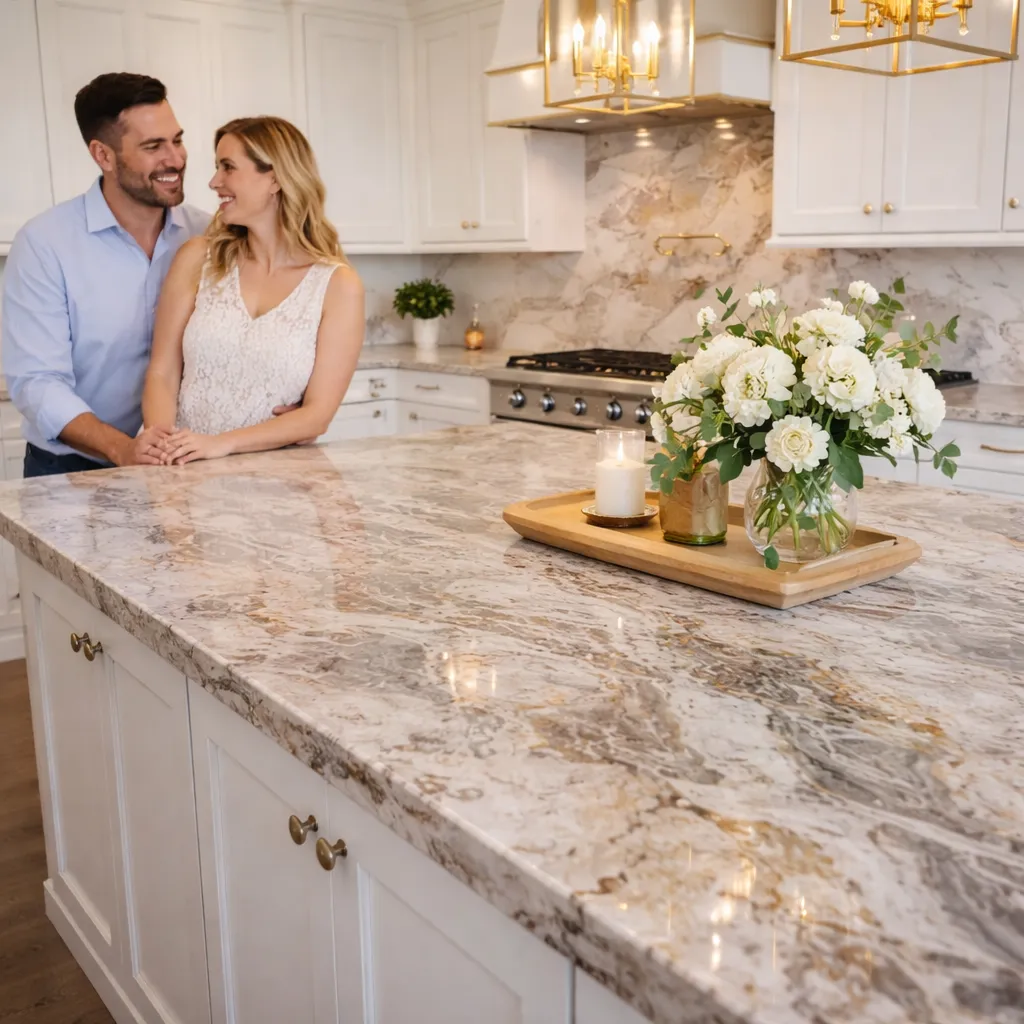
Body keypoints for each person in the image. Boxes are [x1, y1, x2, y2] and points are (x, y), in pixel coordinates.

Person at [1, 73, 208, 477]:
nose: (176, 159)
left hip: (178, 466)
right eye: (153, 146)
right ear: (104, 155)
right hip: (70, 472)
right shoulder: (45, 244)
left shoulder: (210, 235)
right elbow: (38, 382)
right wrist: (124, 449)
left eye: (177, 140)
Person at [142, 116, 364, 464]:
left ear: (275, 178)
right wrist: (166, 452)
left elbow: (318, 415)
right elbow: (162, 372)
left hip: (277, 482)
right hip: (182, 472)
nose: (215, 181)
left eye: (228, 167)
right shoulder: (198, 258)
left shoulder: (338, 286)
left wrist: (221, 444)